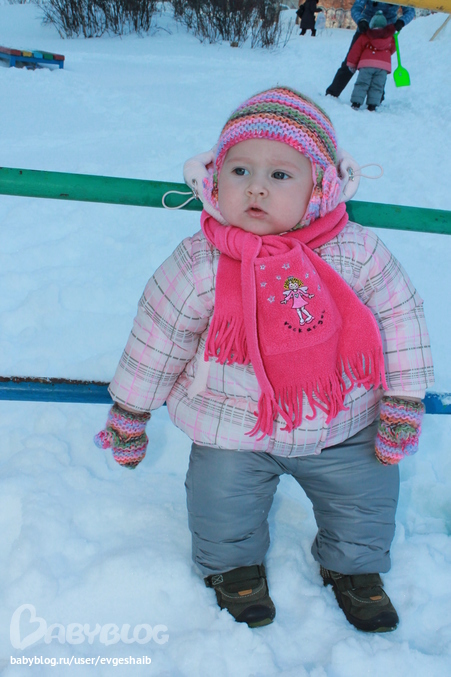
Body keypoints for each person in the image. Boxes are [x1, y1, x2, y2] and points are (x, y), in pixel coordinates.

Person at [94, 87, 434, 632]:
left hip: (342, 422)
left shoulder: (356, 251)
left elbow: (401, 320)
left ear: (320, 187)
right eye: (240, 171)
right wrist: (131, 410)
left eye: (280, 175)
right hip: (233, 426)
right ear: (214, 179)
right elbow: (159, 333)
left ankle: (354, 569)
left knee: (365, 500)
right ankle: (232, 567)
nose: (256, 187)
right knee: (220, 504)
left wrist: (403, 399)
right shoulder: (201, 261)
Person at [326, 0, 415, 98]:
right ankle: (332, 93)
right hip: (365, 30)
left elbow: (410, 11)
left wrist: (402, 21)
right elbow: (356, 8)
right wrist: (360, 20)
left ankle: (376, 98)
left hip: (386, 34)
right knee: (350, 62)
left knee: (380, 66)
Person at [347, 11, 396, 111]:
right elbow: (393, 49)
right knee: (377, 86)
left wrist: (352, 63)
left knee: (362, 83)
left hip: (367, 64)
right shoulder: (390, 38)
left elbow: (356, 50)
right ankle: (372, 105)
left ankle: (356, 103)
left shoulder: (366, 36)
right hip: (383, 66)